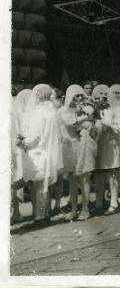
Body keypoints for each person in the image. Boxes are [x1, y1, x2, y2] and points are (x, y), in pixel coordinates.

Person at [20, 84, 62, 227]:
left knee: (39, 187)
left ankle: (40, 217)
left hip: (38, 152)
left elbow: (36, 135)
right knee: (44, 186)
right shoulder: (51, 111)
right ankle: (45, 214)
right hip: (47, 152)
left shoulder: (39, 112)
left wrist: (23, 142)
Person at [58, 84, 99, 221]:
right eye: (76, 96)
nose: (80, 98)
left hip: (80, 144)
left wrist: (88, 115)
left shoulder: (80, 110)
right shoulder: (64, 111)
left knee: (84, 178)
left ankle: (86, 208)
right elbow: (72, 123)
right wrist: (87, 117)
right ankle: (75, 208)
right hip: (69, 147)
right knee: (72, 180)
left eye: (81, 95)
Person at [95, 84, 120, 214]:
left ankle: (114, 202)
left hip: (113, 144)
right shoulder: (102, 110)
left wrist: (110, 125)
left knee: (112, 172)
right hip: (101, 144)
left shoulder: (117, 110)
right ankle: (99, 203)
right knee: (101, 174)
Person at [11, 89, 32, 223]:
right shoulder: (14, 106)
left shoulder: (13, 106)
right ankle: (15, 212)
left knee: (11, 182)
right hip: (13, 146)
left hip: (11, 147)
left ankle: (15, 212)